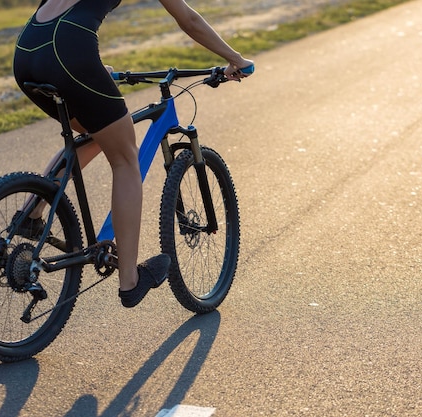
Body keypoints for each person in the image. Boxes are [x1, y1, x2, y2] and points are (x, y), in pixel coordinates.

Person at [13, 0, 253, 308]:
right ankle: (130, 280)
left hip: (29, 51)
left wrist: (90, 66)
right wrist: (235, 59)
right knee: (126, 157)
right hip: (69, 50)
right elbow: (189, 20)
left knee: (97, 133)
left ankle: (30, 214)